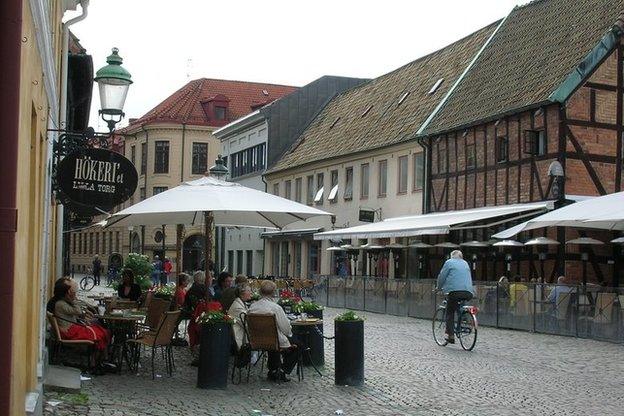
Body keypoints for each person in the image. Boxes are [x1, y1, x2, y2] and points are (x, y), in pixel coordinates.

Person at [249, 280, 300, 382]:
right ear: (273, 292)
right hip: (275, 341)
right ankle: (282, 370)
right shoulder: (276, 308)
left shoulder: (252, 307)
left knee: (274, 341)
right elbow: (286, 328)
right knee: (299, 345)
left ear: (260, 292)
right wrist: (289, 333)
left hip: (256, 340)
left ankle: (273, 369)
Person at [52, 279, 111, 360]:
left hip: (72, 329)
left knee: (100, 330)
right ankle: (96, 361)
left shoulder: (62, 302)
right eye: (72, 291)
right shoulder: (60, 304)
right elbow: (78, 311)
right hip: (69, 332)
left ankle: (100, 359)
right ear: (67, 292)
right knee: (99, 333)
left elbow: (74, 314)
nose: (74, 293)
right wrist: (73, 300)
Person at [436, 250, 475, 344]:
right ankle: (464, 319)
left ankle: (451, 335)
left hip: (454, 292)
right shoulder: (465, 263)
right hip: (468, 292)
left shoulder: (449, 263)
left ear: (452, 256)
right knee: (460, 307)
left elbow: (442, 276)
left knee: (449, 312)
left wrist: (438, 287)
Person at [227, 284, 252, 349]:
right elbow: (247, 324)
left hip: (243, 336)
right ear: (242, 293)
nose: (251, 292)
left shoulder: (241, 303)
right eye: (249, 291)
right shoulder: (237, 307)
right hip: (239, 339)